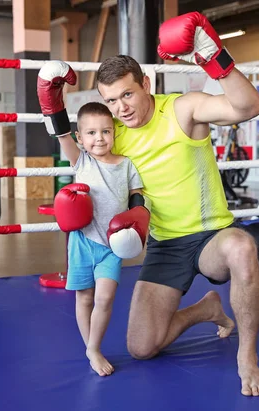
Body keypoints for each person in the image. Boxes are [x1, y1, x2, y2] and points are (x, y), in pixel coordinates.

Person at [94, 12, 259, 397]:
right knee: (141, 348)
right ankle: (205, 309)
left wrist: (213, 55)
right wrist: (52, 108)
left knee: (242, 247)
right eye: (110, 101)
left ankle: (247, 357)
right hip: (164, 245)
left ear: (145, 83)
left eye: (127, 94)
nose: (121, 107)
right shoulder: (114, 136)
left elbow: (250, 106)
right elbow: (77, 155)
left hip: (210, 237)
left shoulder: (183, 108)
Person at [37, 71, 149, 378]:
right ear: (80, 138)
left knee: (105, 297)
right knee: (84, 297)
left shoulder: (126, 164)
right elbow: (60, 134)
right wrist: (51, 97)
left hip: (112, 246)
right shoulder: (81, 161)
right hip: (83, 242)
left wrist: (137, 217)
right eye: (91, 133)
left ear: (114, 133)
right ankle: (92, 349)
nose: (99, 138)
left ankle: (93, 347)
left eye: (105, 132)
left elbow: (137, 195)